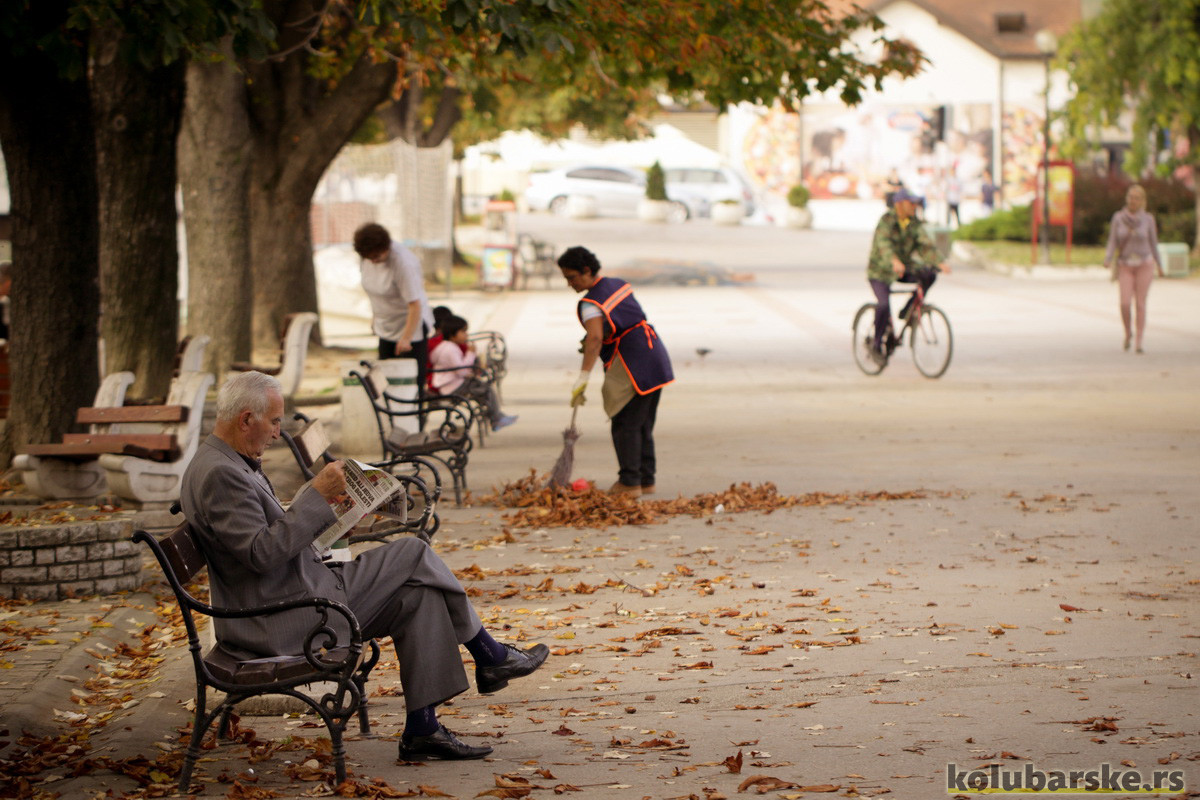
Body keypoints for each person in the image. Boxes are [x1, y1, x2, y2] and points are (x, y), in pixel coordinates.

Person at [180, 371, 548, 761]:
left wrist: (336, 515)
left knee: (418, 594)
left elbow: (263, 540)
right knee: (413, 552)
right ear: (246, 420)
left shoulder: (225, 460)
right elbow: (261, 554)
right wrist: (317, 499)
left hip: (293, 596)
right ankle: (490, 655)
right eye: (273, 422)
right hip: (284, 618)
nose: (277, 432)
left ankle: (423, 728)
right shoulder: (220, 473)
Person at [558, 246, 673, 497]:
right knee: (643, 423)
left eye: (572, 277)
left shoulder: (590, 304)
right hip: (654, 354)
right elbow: (621, 321)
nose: (569, 283)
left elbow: (596, 338)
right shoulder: (618, 284)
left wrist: (583, 376)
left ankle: (630, 482)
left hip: (632, 362)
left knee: (625, 423)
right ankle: (646, 478)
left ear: (586, 271)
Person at [866, 187, 952, 364]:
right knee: (883, 305)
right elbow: (884, 245)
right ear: (900, 204)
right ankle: (876, 345)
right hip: (881, 271)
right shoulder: (887, 221)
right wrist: (894, 260)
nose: (914, 206)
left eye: (915, 203)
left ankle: (909, 309)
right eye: (911, 203)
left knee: (928, 275)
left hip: (903, 269)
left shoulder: (913, 223)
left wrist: (939, 261)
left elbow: (925, 245)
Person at [352, 223, 435, 391]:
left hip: (411, 325)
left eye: (377, 256)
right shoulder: (366, 259)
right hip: (387, 324)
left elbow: (414, 304)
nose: (373, 260)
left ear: (386, 246)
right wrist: (376, 319)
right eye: (370, 258)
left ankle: (415, 416)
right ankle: (389, 415)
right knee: (385, 379)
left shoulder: (403, 262)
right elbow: (375, 292)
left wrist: (406, 338)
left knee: (410, 382)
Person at [429, 314, 517, 431]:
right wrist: (470, 354)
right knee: (486, 389)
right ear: (453, 334)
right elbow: (461, 371)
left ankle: (495, 416)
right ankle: (496, 418)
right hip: (452, 386)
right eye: (463, 332)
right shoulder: (450, 349)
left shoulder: (446, 347)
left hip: (449, 384)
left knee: (483, 388)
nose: (466, 335)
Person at [1104, 184, 1164, 354]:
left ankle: (1139, 340)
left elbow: (1153, 243)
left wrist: (1159, 264)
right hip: (1125, 264)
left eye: (1137, 198)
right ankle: (1127, 332)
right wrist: (1108, 259)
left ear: (1142, 201)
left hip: (1145, 264)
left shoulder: (1148, 219)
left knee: (1140, 303)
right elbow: (1112, 241)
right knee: (1124, 303)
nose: (1133, 200)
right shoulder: (1118, 218)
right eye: (1130, 197)